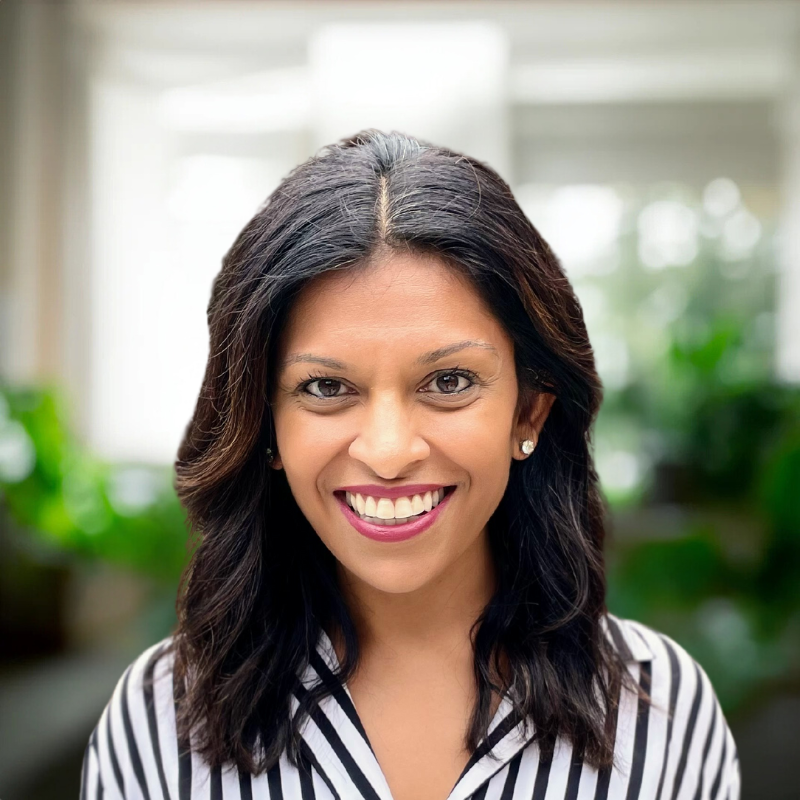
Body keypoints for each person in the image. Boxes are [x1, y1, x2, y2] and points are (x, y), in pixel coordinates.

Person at [80, 129, 740, 800]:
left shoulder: (662, 714)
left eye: (449, 382)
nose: (389, 452)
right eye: (326, 388)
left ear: (529, 412)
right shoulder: (160, 722)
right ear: (264, 424)